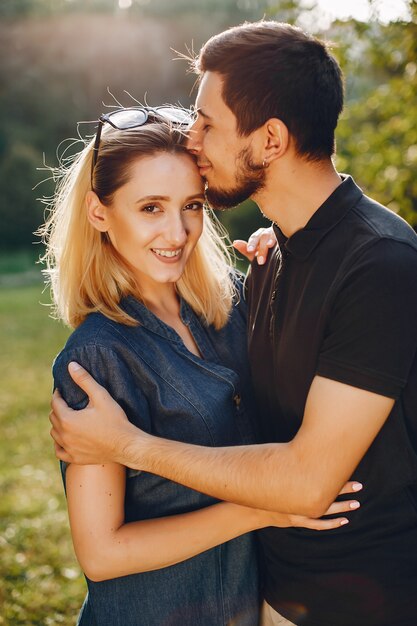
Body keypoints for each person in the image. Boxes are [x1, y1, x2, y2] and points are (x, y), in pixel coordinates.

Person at [49, 21, 417, 626]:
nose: (194, 140)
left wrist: (131, 446)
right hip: (259, 598)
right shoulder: (272, 264)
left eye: (207, 123)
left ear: (270, 139)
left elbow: (303, 484)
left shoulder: (364, 265)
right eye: (150, 208)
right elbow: (102, 552)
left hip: (356, 600)